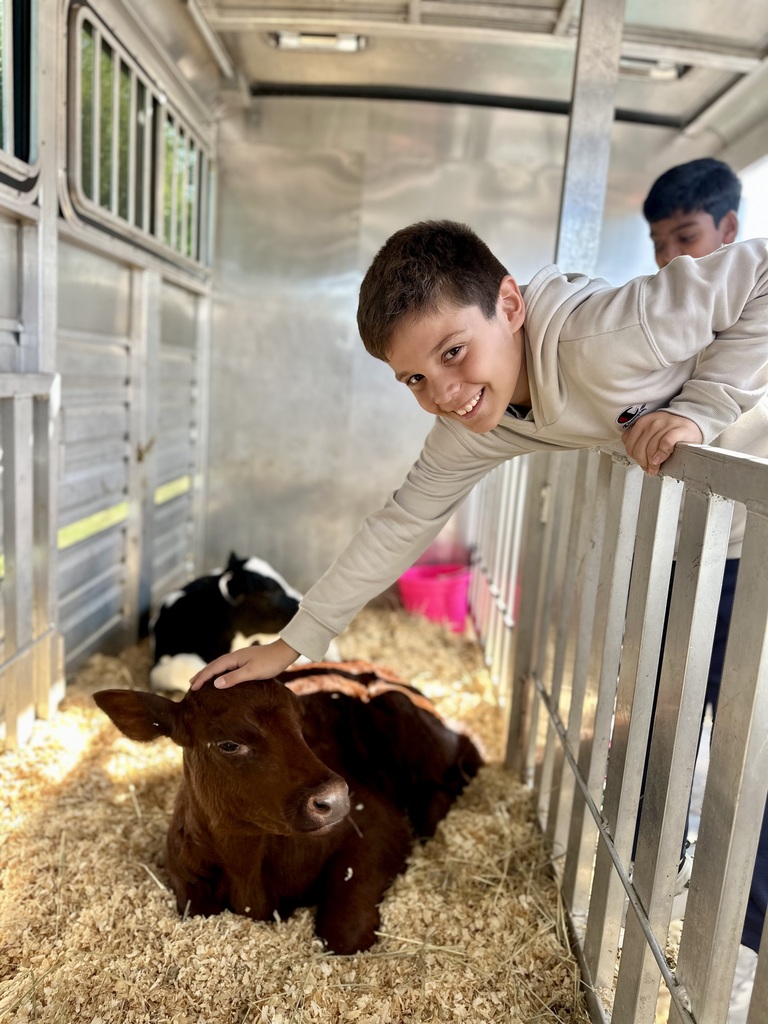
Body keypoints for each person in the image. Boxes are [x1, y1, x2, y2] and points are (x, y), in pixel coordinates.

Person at [191, 218, 768, 688]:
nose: (442, 393)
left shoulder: (604, 337)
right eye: (413, 378)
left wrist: (701, 408)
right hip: (717, 539)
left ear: (510, 305)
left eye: (453, 351)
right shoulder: (476, 423)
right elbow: (402, 522)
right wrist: (292, 644)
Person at [641, 157, 767, 1017]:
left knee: (752, 745)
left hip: (750, 564)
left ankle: (749, 925)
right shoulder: (675, 330)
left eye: (685, 239)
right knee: (700, 729)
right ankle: (705, 892)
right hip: (700, 564)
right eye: (659, 245)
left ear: (729, 232)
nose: (673, 263)